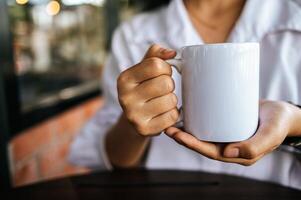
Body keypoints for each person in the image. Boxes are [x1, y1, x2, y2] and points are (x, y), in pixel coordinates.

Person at [69, 0, 301, 189]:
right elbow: (117, 161)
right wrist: (133, 125)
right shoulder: (132, 35)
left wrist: (293, 123)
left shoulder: (295, 18)